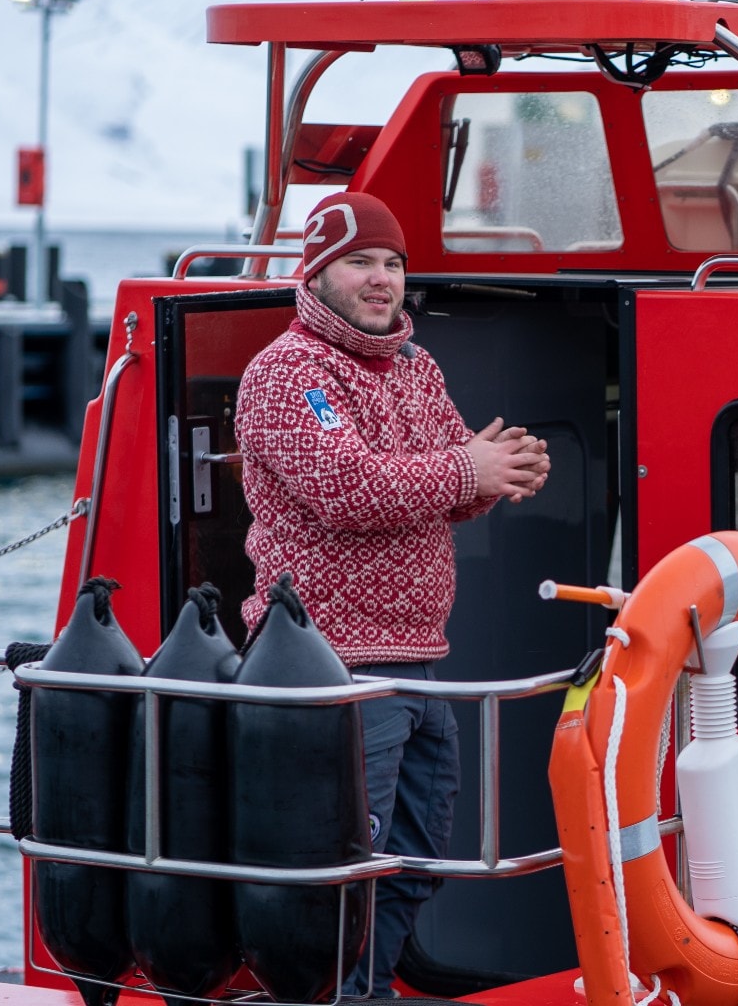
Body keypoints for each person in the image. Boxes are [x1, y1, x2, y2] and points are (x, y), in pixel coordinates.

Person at [233, 190, 549, 998]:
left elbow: (446, 475)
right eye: (361, 262)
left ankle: (364, 987)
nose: (382, 279)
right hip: (329, 670)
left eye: (393, 264)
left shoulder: (416, 366)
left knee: (419, 851)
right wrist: (465, 471)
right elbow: (349, 486)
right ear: (317, 272)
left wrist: (498, 473)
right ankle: (337, 994)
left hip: (415, 667)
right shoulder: (285, 373)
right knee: (341, 868)